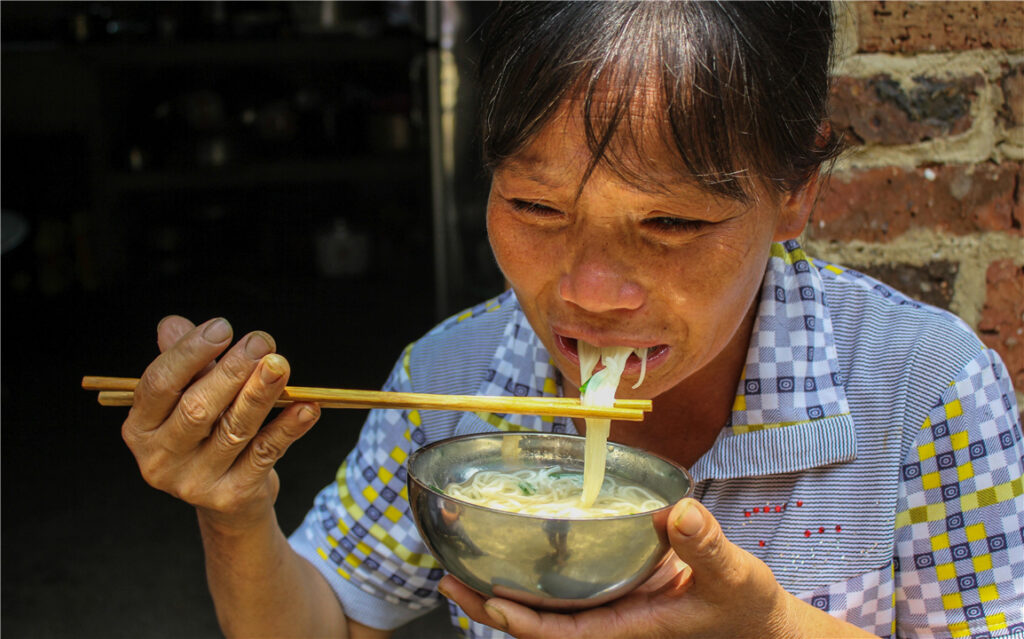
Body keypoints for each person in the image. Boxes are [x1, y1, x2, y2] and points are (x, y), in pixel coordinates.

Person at [121, 2, 1023, 638]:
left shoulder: (925, 391)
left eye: (670, 222)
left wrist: (770, 627)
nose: (590, 292)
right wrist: (235, 514)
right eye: (537, 209)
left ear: (794, 194)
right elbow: (330, 622)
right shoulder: (452, 378)